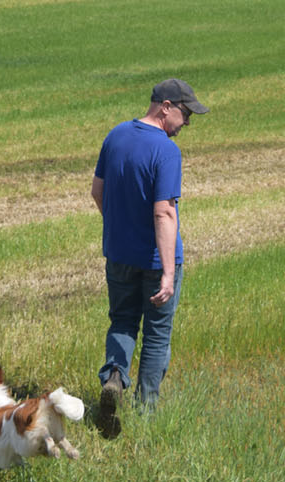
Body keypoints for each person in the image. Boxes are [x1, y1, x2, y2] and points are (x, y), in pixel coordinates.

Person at [90, 78, 208, 438]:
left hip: (119, 255)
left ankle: (114, 378)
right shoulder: (166, 151)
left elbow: (98, 192)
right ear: (166, 106)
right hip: (156, 261)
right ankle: (146, 411)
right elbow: (164, 214)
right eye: (185, 114)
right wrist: (169, 273)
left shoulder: (116, 136)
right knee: (157, 335)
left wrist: (121, 229)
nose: (187, 123)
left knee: (123, 321)